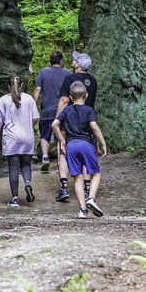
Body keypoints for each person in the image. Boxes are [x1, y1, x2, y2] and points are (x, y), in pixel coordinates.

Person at [52, 81, 107, 218]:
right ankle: (91, 199)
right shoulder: (89, 110)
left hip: (71, 146)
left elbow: (54, 124)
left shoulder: (66, 110)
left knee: (77, 178)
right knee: (95, 174)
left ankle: (82, 210)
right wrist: (103, 143)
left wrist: (62, 140)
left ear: (70, 98)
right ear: (86, 96)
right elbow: (93, 126)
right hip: (86, 145)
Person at [54, 51, 98, 202]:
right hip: (87, 120)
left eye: (74, 60)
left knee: (63, 151)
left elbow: (64, 100)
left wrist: (58, 120)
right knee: (87, 152)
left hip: (70, 120)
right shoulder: (93, 81)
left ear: (78, 64)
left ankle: (64, 187)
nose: (72, 61)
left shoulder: (70, 79)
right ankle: (87, 189)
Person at [0, 75, 40, 207]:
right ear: (22, 85)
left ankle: (15, 199)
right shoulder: (29, 99)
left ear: (8, 86)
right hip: (27, 137)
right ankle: (28, 183)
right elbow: (35, 119)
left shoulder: (3, 100)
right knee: (26, 165)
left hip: (11, 138)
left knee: (13, 167)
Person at [32, 51, 72, 173]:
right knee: (60, 136)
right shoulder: (68, 74)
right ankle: (60, 163)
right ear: (61, 61)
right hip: (62, 111)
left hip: (46, 110)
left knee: (45, 135)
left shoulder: (43, 72)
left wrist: (33, 107)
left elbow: (37, 90)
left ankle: (45, 157)